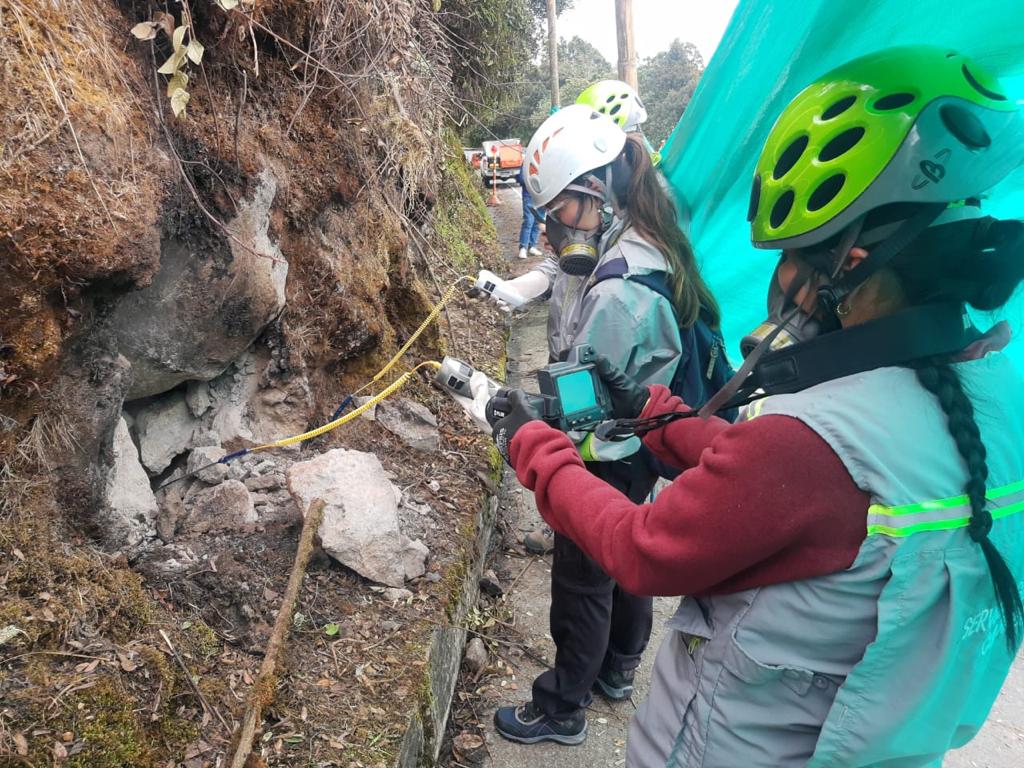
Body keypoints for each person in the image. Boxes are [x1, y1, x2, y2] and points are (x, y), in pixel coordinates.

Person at [486, 46, 1024, 767]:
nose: (781, 281)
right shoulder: (992, 401)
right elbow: (770, 487)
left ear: (848, 266)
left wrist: (532, 445)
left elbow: (644, 548)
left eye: (791, 256)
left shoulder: (808, 444)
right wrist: (654, 407)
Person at [487, 103, 723, 746]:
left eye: (559, 211)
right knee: (626, 556)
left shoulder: (620, 291)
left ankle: (562, 705)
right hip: (644, 443)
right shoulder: (645, 244)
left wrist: (527, 423)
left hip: (611, 448)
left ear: (596, 193)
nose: (552, 230)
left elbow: (586, 402)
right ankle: (619, 668)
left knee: (584, 573)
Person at [517, 165, 545, 260]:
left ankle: (532, 246)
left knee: (538, 221)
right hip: (528, 195)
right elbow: (521, 179)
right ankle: (523, 247)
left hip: (542, 196)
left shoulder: (547, 161)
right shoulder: (527, 163)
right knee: (528, 221)